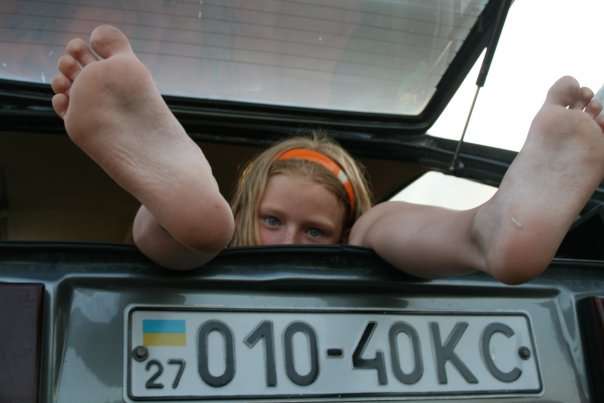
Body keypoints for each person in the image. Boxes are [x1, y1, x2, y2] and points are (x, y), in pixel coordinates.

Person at [50, 25, 604, 284]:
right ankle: (187, 211)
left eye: (315, 231)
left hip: (342, 271)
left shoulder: (355, 237)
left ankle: (487, 230)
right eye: (272, 220)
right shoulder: (233, 235)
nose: (289, 240)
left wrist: (347, 238)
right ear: (252, 211)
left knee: (376, 231)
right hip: (208, 259)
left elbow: (364, 234)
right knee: (185, 242)